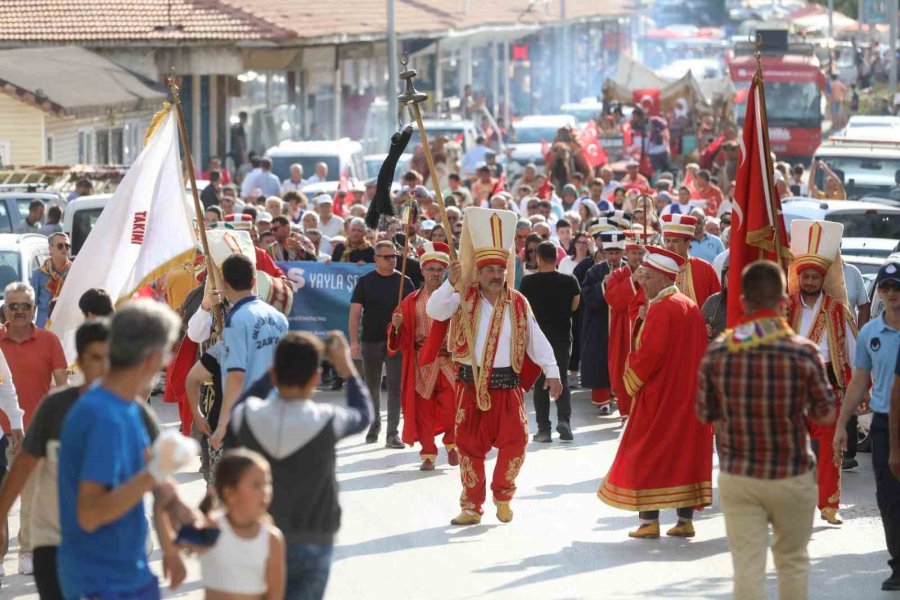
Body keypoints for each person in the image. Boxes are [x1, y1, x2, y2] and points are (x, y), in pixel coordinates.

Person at [698, 260, 837, 600]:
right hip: (791, 473)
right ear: (784, 302)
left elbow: (704, 413)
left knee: (747, 564)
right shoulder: (804, 353)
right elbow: (826, 413)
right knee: (792, 563)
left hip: (740, 473)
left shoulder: (719, 351)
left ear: (743, 302)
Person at [0, 320, 163, 599]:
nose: (104, 368)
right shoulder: (55, 408)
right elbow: (23, 464)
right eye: (95, 358)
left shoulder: (135, 413)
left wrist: (172, 537)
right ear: (80, 362)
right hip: (54, 540)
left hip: (113, 544)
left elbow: (161, 476)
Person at [425, 206, 562, 525]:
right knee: (470, 448)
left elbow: (535, 338)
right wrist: (449, 283)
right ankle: (472, 507)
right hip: (470, 386)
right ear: (480, 272)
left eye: (501, 269)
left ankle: (503, 494)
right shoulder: (463, 296)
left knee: (515, 444)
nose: (496, 275)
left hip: (508, 387)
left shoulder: (517, 302)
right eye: (489, 270)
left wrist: (552, 370)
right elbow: (435, 311)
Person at [57, 302, 197, 599]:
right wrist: (155, 472)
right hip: (99, 581)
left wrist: (187, 517)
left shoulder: (125, 407)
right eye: (167, 352)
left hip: (126, 572)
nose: (166, 362)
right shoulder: (103, 416)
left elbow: (152, 476)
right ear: (151, 356)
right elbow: (91, 514)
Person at [226, 332, 372, 600]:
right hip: (313, 539)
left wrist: (267, 377)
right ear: (315, 378)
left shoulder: (246, 417)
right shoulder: (326, 420)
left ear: (275, 373)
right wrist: (348, 370)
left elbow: (240, 407)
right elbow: (364, 415)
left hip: (258, 538)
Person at [597, 246, 712, 538]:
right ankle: (685, 520)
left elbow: (650, 354)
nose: (642, 282)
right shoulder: (688, 305)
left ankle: (649, 521)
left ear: (662, 278)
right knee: (684, 454)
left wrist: (630, 378)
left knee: (646, 452)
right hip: (690, 397)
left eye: (647, 277)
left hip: (662, 396)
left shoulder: (662, 308)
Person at [834, 258, 900, 591]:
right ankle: (898, 564)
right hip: (884, 423)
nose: (892, 294)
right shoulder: (871, 333)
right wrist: (841, 426)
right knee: (888, 498)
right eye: (886, 288)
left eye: (897, 287)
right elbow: (858, 382)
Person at [786, 220, 856, 525]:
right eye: (806, 276)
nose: (811, 281)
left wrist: (860, 386)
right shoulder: (785, 307)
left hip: (826, 381)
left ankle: (829, 505)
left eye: (815, 277)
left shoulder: (837, 309)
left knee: (829, 445)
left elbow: (852, 347)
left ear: (823, 278)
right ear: (799, 278)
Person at [0, 282, 67, 574]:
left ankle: (27, 550)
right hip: (1, 434)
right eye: (13, 305)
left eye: (25, 306)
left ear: (34, 309)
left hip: (35, 432)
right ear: (4, 308)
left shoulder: (49, 341)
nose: (19, 312)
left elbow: (62, 386)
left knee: (30, 494)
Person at [387, 242, 458, 470]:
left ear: (445, 272)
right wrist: (396, 327)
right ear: (422, 271)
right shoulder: (410, 301)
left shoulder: (456, 298)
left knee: (453, 407)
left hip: (450, 361)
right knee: (423, 411)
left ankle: (452, 442)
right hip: (422, 362)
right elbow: (398, 339)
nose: (435, 274)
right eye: (431, 270)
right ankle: (428, 454)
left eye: (439, 270)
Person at [210, 254, 289, 449]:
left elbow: (236, 376)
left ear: (225, 284)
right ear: (254, 280)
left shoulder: (236, 319)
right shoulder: (279, 317)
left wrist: (222, 424)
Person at [349, 240, 415, 447]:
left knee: (395, 387)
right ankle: (374, 423)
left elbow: (414, 313)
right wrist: (353, 341)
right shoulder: (365, 281)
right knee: (372, 386)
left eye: (394, 256)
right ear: (376, 259)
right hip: (371, 340)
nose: (391, 260)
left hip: (396, 341)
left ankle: (392, 433)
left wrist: (403, 320)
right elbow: (355, 313)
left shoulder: (405, 282)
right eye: (386, 257)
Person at [198, 449, 286, 599]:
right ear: (230, 494)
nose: (265, 491)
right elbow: (177, 546)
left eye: (267, 484)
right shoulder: (213, 528)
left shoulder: (272, 539)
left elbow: (275, 595)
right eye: (257, 485)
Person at [520, 241, 580, 442]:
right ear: (557, 257)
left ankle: (544, 429)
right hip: (562, 337)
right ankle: (564, 421)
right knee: (560, 378)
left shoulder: (528, 283)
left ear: (538, 258)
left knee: (540, 384)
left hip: (537, 340)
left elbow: (523, 310)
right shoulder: (570, 281)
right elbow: (575, 306)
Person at [581, 227, 626, 415]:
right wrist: (603, 285)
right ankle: (603, 401)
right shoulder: (595, 271)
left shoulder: (630, 270)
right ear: (604, 252)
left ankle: (622, 398)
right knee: (601, 360)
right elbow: (586, 294)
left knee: (623, 359)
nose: (614, 257)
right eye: (610, 253)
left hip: (623, 324)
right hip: (600, 325)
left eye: (617, 252)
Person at [603, 231, 646, 423]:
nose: (637, 257)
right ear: (626, 254)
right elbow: (612, 300)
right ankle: (626, 411)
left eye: (640, 253)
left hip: (647, 326)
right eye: (633, 253)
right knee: (622, 367)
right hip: (623, 331)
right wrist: (633, 281)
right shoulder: (618, 275)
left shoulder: (652, 272)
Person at [660, 213, 721, 308]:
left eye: (675, 241)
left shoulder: (704, 268)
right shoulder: (656, 268)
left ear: (688, 243)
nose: (670, 246)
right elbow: (641, 303)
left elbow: (718, 304)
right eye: (667, 241)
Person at [30, 232, 72, 328]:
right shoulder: (39, 274)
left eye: (67, 246)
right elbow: (32, 305)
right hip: (44, 325)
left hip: (67, 325)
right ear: (50, 249)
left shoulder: (74, 272)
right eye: (60, 246)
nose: (64, 248)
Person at [701, 256, 729, 340]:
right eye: (728, 275)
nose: (732, 279)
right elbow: (698, 329)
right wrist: (705, 329)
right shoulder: (713, 301)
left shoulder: (751, 304)